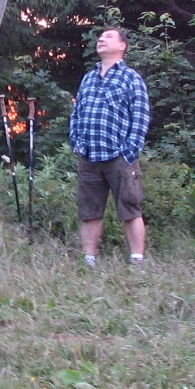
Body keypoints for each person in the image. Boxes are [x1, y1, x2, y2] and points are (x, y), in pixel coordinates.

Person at [68, 27, 151, 266]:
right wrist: (77, 142)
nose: (101, 39)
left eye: (108, 37)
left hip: (119, 157)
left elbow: (141, 117)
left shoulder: (131, 78)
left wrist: (129, 153)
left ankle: (137, 261)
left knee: (130, 208)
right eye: (100, 37)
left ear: (122, 46)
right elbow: (77, 113)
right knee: (89, 211)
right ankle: (89, 261)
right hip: (89, 156)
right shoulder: (88, 78)